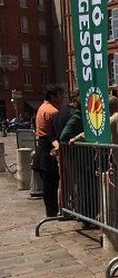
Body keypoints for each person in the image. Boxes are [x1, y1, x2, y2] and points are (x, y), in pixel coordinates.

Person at [34, 85, 64, 218]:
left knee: (48, 184)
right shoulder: (53, 111)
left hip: (42, 147)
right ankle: (52, 212)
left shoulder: (42, 107)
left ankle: (51, 211)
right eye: (60, 95)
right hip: (49, 148)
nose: (62, 98)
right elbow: (56, 132)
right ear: (53, 96)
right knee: (51, 183)